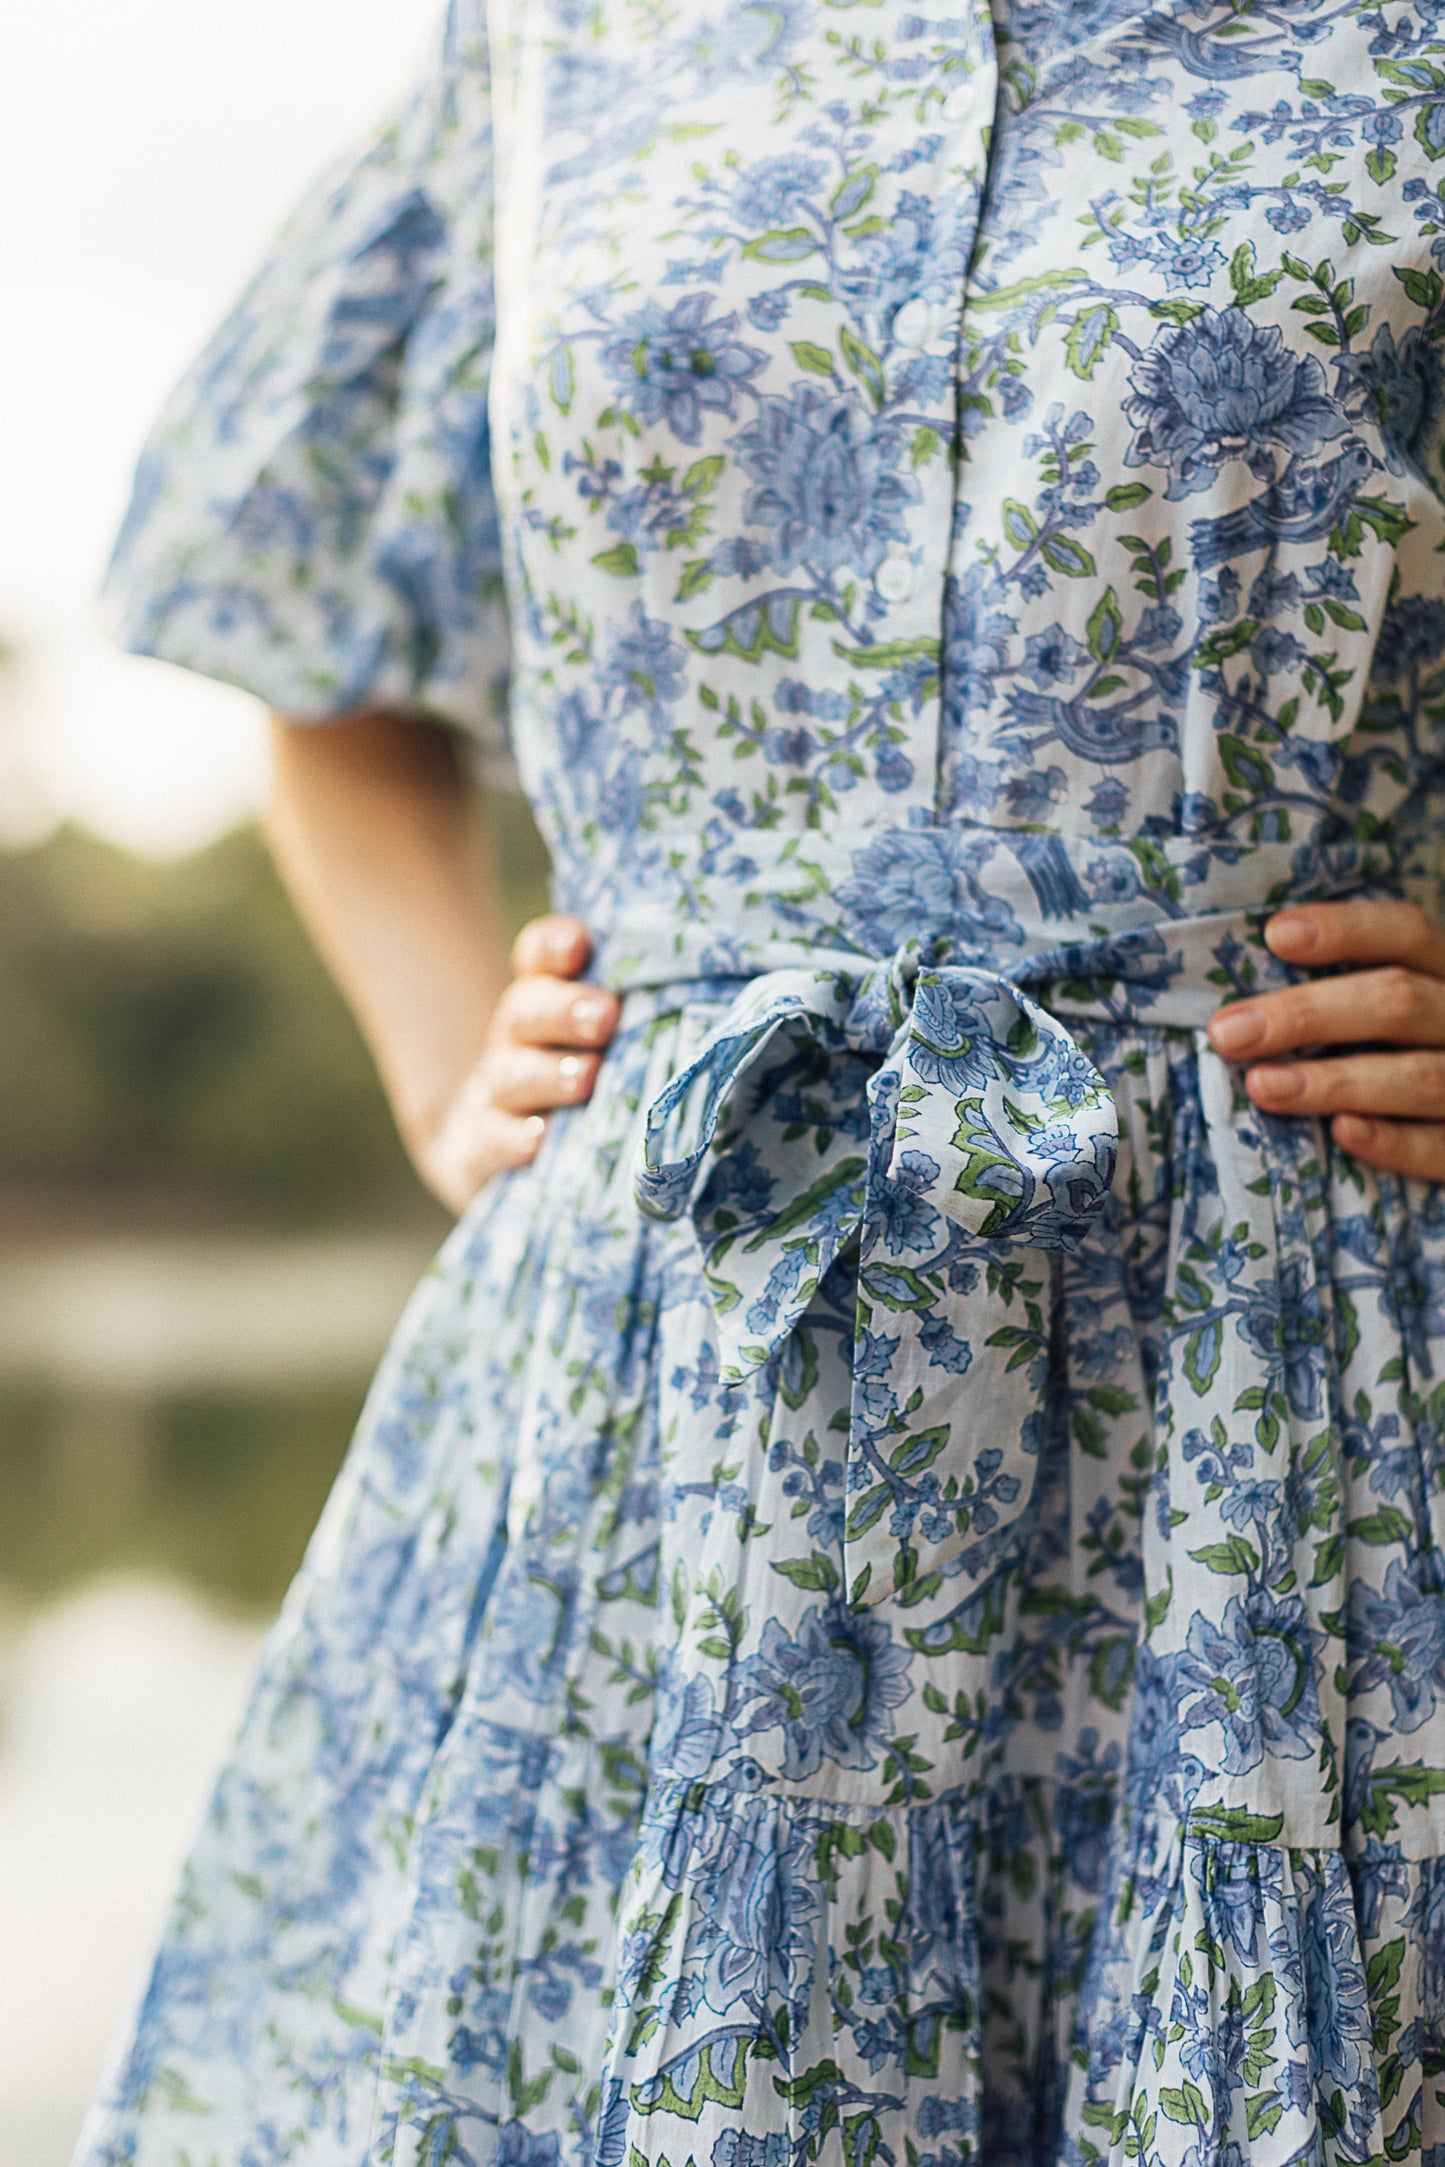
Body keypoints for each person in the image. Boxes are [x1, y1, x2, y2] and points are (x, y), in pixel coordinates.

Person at [76, 2, 1445, 2161]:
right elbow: (302, 605)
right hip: (662, 1359)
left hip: (1282, 1349)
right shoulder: (547, 36)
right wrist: (457, 1066)